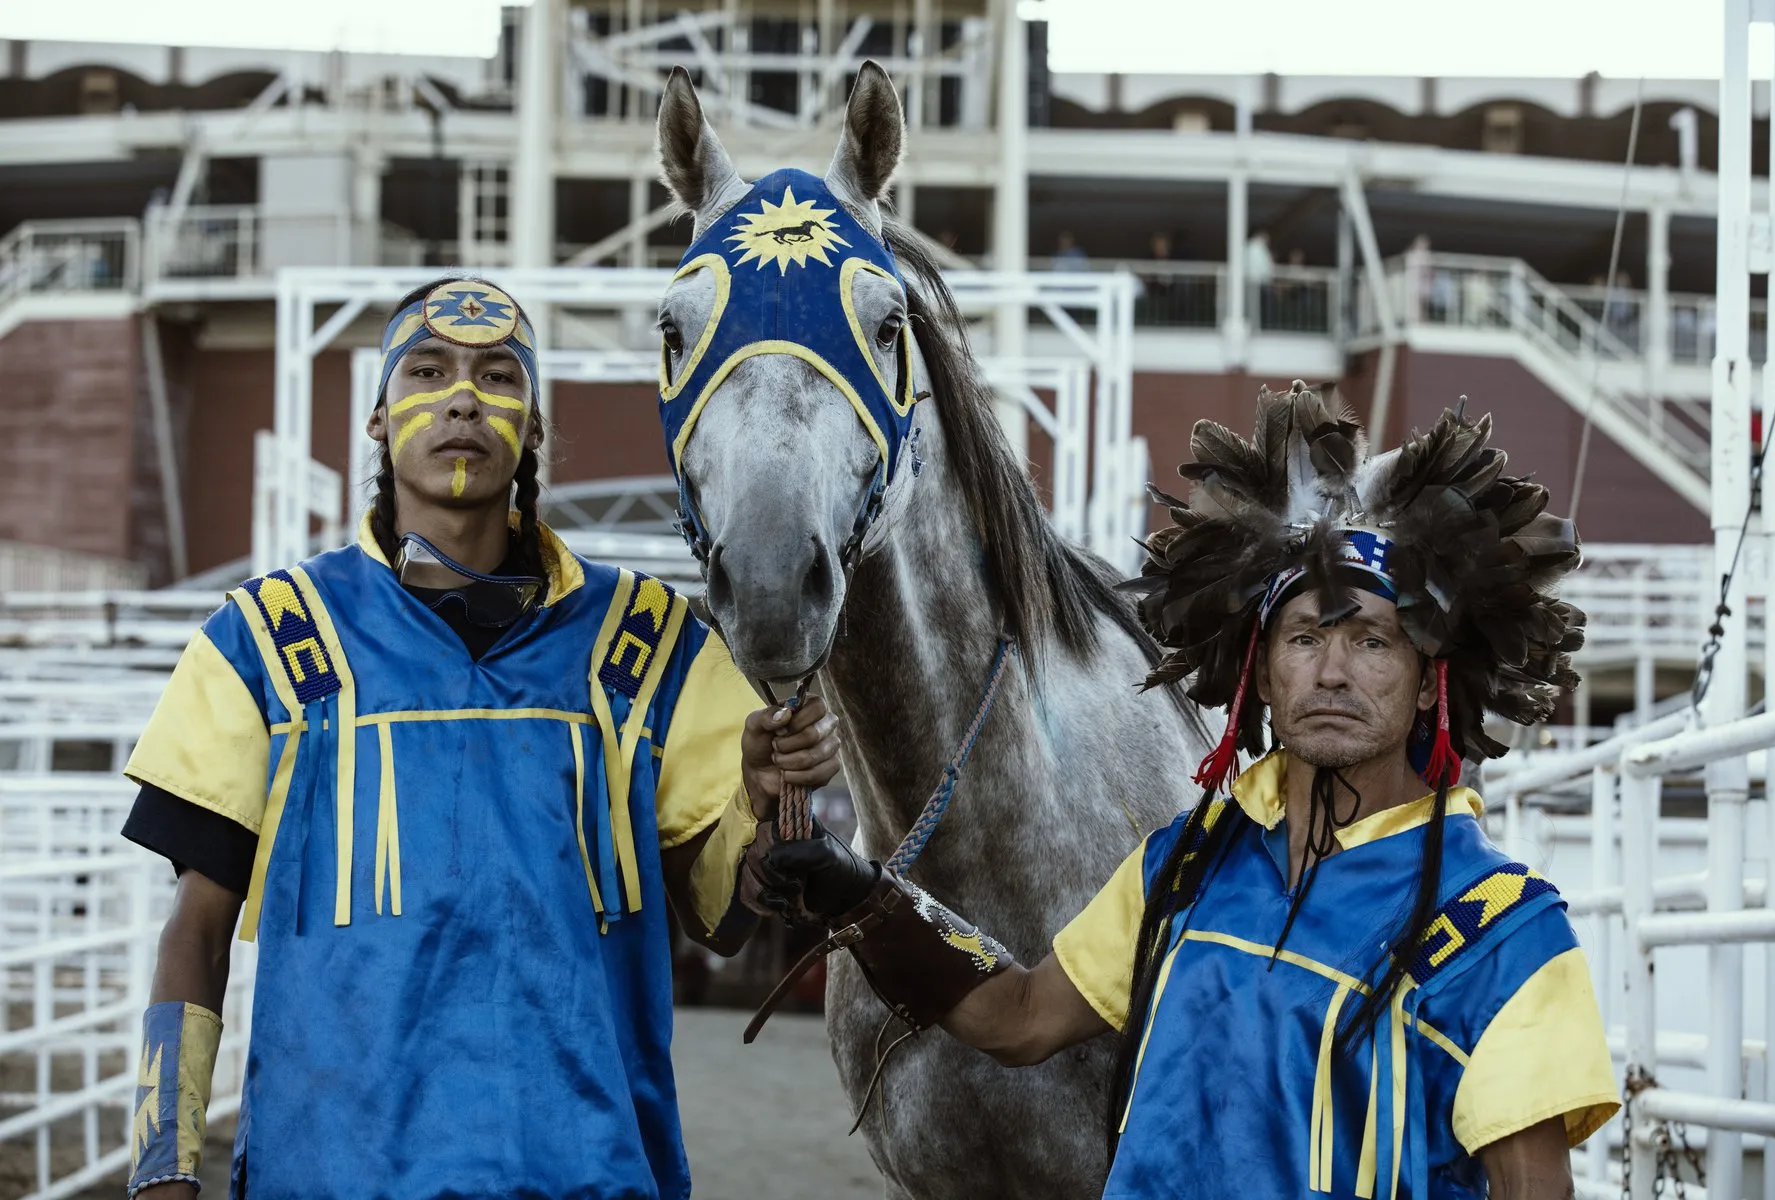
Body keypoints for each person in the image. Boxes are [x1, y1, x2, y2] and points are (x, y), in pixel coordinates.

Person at [750, 383, 1618, 1199]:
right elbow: (1017, 1017)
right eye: (1304, 637)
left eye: (1374, 643)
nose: (1333, 673)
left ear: (1430, 680)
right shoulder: (1186, 865)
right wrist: (859, 894)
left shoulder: (1506, 935)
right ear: (1261, 675)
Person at [120, 276, 841, 1199]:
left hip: (589, 1173)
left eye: (500, 375)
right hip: (332, 1173)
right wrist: (161, 1166)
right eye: (427, 370)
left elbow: (728, 919)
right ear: (379, 417)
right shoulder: (266, 641)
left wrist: (765, 792)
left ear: (534, 426)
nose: (463, 396)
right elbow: (196, 927)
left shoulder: (649, 644)